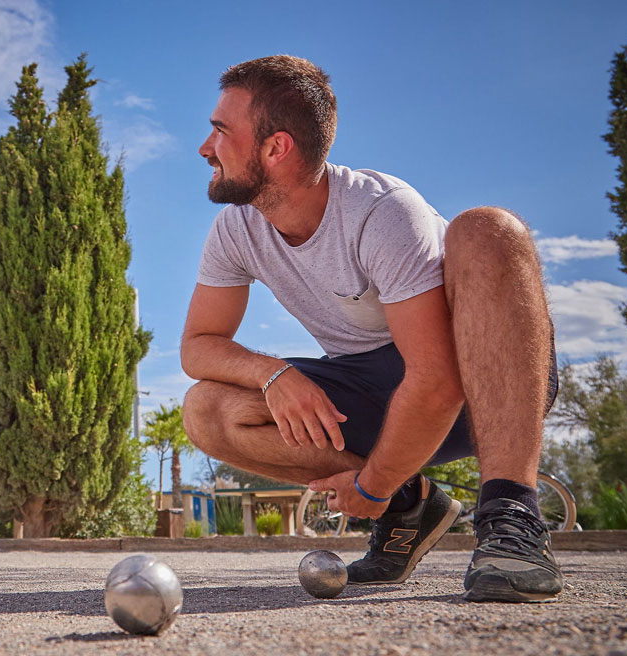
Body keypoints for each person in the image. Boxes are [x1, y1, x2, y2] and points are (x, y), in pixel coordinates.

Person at [181, 55, 563, 603]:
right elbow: (199, 347)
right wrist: (275, 375)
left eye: (220, 131)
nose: (205, 147)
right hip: (380, 388)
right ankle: (412, 504)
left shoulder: (382, 212)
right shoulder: (237, 229)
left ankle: (510, 519)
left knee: (486, 229)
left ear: (275, 148)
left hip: (485, 381)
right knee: (209, 410)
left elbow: (437, 380)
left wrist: (369, 487)